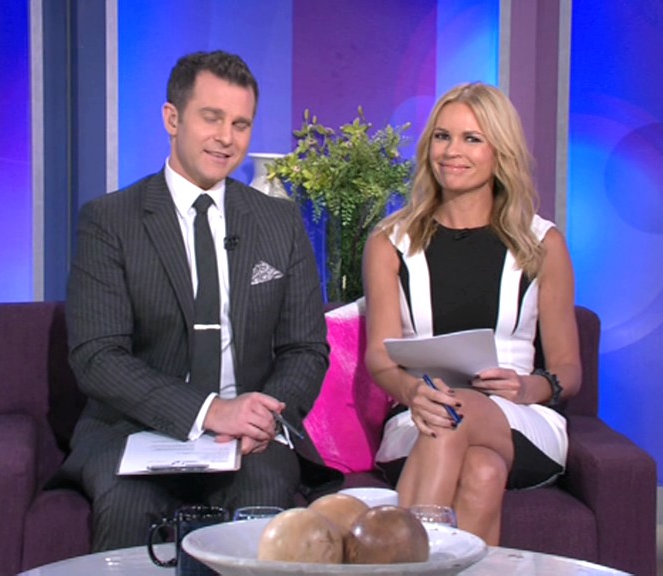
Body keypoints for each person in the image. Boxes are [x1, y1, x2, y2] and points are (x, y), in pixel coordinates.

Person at [58, 50, 339, 552]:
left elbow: (306, 347)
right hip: (134, 427)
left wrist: (264, 416)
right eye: (212, 118)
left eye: (240, 124)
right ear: (173, 119)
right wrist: (210, 411)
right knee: (127, 503)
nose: (226, 137)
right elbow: (97, 357)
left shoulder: (279, 222)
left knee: (264, 493)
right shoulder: (110, 220)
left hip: (246, 436)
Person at [362, 82, 581, 545]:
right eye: (442, 137)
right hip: (417, 415)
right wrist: (412, 391)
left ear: (500, 152)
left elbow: (568, 369)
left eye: (471, 139)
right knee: (481, 470)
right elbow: (379, 356)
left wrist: (528, 386)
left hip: (519, 420)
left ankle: (392, 559)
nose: (451, 152)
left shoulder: (542, 244)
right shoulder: (389, 242)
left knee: (453, 414)